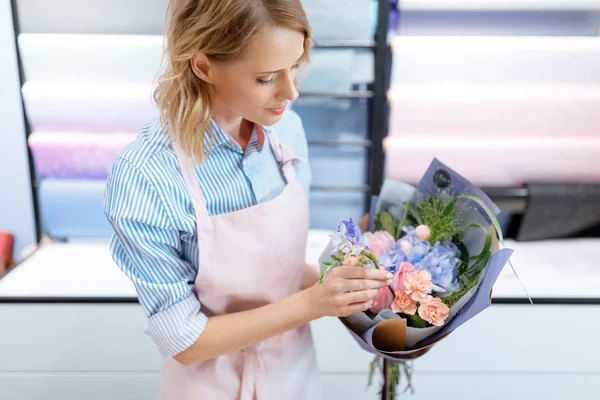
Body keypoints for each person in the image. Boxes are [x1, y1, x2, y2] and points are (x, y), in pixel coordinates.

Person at [104, 0, 392, 398]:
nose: (290, 92)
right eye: (266, 77)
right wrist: (314, 303)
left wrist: (360, 287)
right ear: (203, 66)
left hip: (294, 377)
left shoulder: (286, 130)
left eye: (295, 66)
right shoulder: (147, 177)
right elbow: (184, 343)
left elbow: (277, 270)